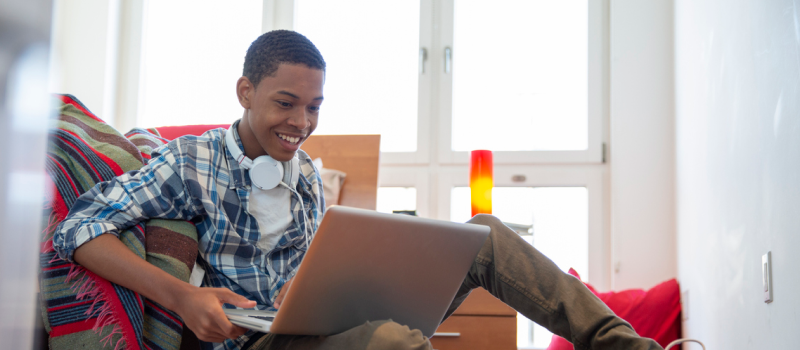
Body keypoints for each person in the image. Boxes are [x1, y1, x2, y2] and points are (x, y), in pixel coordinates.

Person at [53, 30, 662, 350]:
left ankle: (623, 347)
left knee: (485, 235)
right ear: (245, 93)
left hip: (322, 318)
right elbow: (77, 228)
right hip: (260, 344)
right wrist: (183, 298)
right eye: (285, 104)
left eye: (314, 107)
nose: (301, 123)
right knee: (393, 343)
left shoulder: (311, 175)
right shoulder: (193, 161)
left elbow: (328, 266)